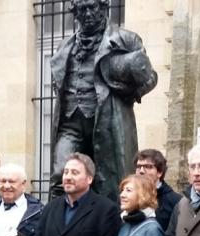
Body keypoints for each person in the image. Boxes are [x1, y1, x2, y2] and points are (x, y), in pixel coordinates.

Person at [48, 0, 158, 200]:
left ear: (103, 7)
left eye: (93, 7)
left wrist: (126, 91)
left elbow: (150, 78)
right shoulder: (66, 45)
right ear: (75, 12)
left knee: (109, 181)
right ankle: (59, 223)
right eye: (82, 9)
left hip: (107, 120)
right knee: (60, 175)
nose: (88, 13)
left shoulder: (126, 39)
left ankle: (111, 224)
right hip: (71, 122)